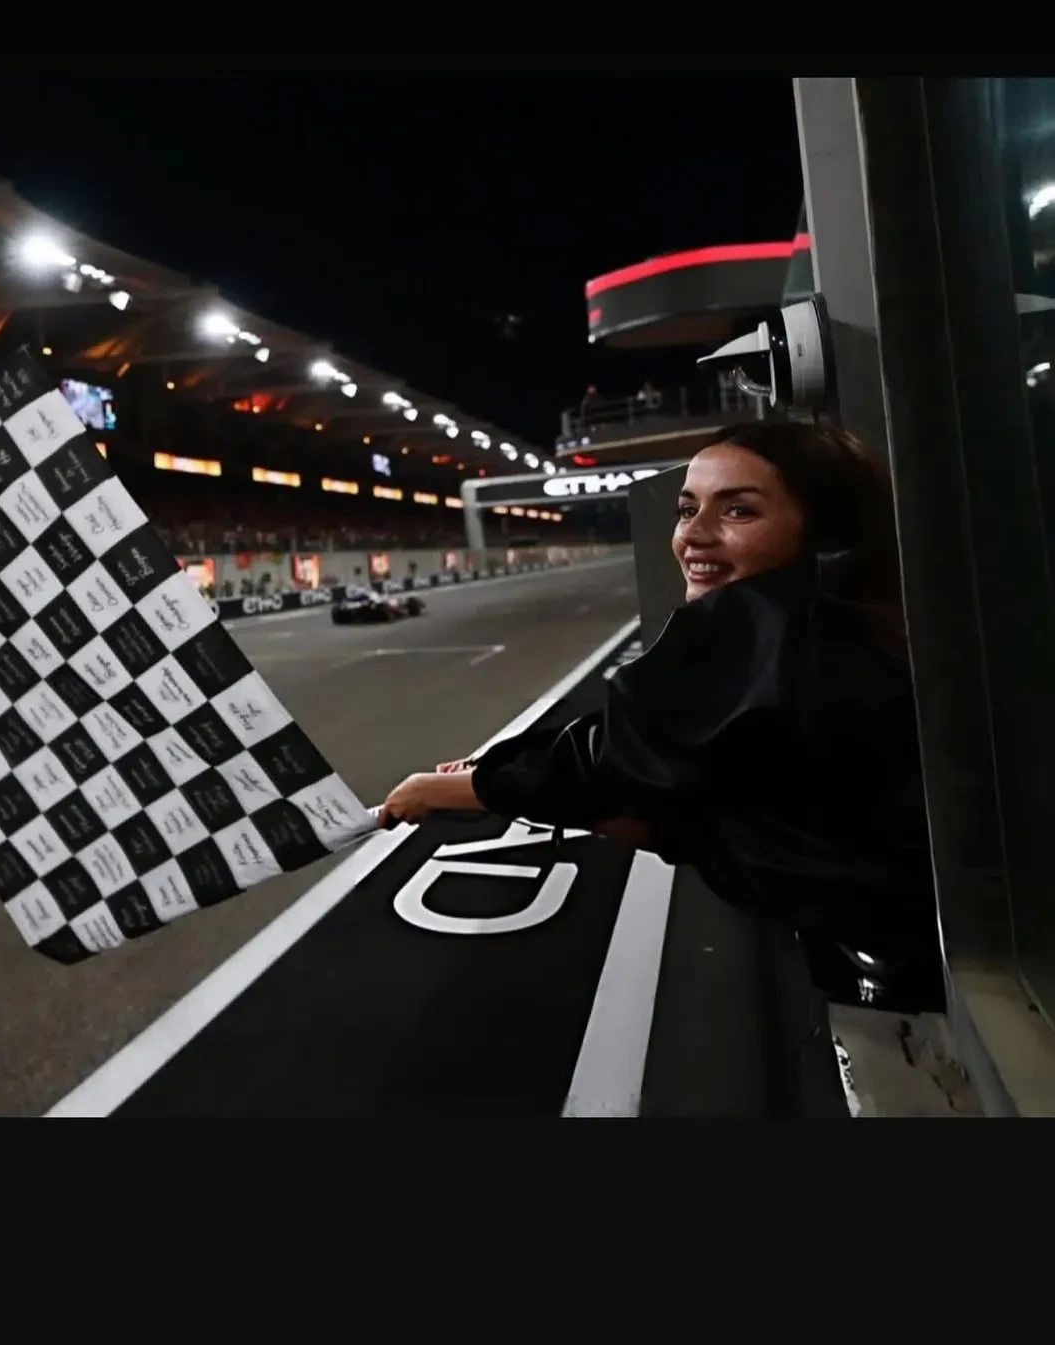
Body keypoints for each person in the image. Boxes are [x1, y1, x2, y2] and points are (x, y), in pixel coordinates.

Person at [380, 422, 942, 1001]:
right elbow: (656, 742)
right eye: (687, 509)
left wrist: (444, 790)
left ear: (825, 530)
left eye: (739, 511)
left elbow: (613, 763)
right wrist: (502, 768)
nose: (693, 535)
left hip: (898, 954)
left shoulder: (764, 623)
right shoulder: (872, 617)